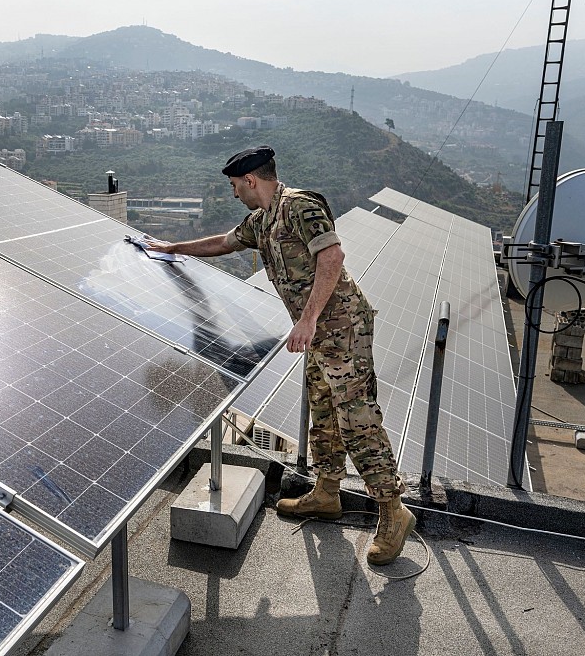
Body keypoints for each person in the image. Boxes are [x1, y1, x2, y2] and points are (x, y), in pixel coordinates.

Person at [145, 145, 415, 565]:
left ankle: (392, 511)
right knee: (323, 411)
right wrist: (173, 248)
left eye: (236, 186)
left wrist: (306, 321)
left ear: (252, 180)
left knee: (357, 419)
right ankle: (327, 492)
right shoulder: (262, 219)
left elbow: (332, 257)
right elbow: (222, 242)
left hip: (342, 328)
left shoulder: (299, 207)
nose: (235, 194)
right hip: (320, 336)